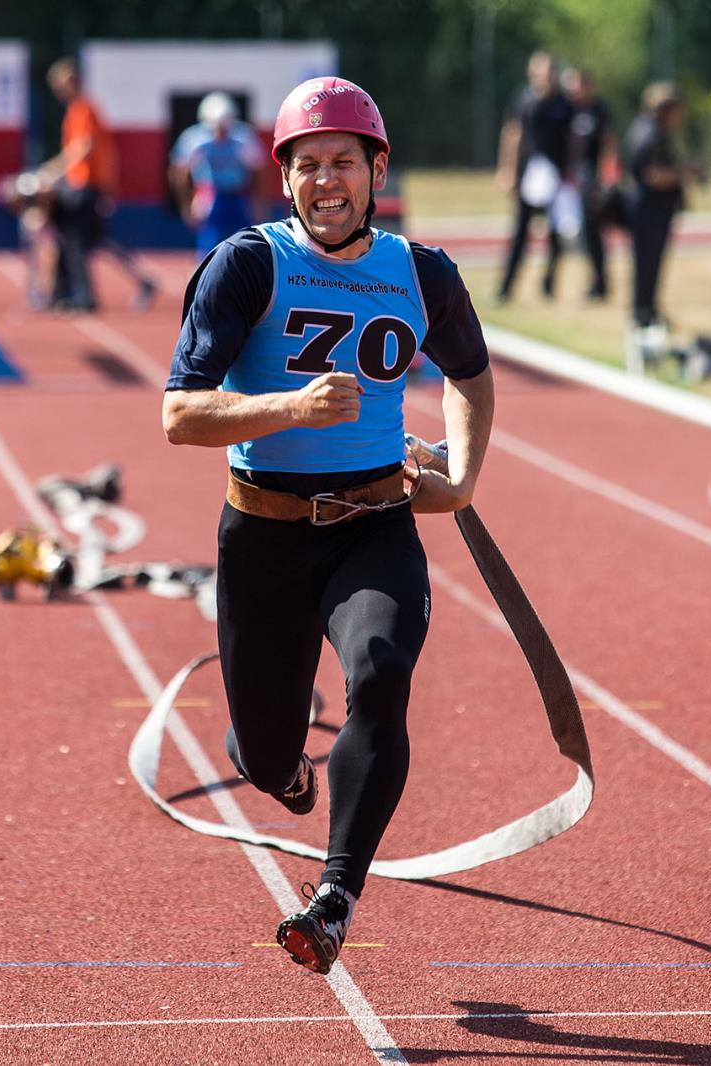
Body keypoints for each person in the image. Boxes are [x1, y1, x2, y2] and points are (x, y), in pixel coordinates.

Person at [161, 76, 493, 975]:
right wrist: (290, 411)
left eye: (343, 160)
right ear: (286, 177)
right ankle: (287, 772)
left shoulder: (423, 273)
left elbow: (469, 373)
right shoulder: (247, 263)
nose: (326, 179)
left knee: (381, 675)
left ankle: (336, 896)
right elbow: (180, 416)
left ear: (377, 168)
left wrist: (460, 478)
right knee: (265, 754)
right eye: (307, 164)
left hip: (373, 526)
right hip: (263, 535)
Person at [40, 58, 155, 313]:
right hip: (84, 184)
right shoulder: (79, 110)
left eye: (61, 85)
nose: (59, 92)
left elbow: (84, 148)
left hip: (84, 186)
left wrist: (52, 171)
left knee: (76, 241)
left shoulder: (84, 109)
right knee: (96, 240)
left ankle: (82, 296)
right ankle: (139, 281)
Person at [495, 51, 573, 303]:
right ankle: (506, 288)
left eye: (550, 71)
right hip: (529, 176)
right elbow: (512, 134)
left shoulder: (564, 103)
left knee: (557, 235)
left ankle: (549, 285)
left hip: (557, 178)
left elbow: (573, 140)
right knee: (520, 233)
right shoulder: (524, 99)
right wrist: (508, 169)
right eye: (541, 71)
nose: (546, 77)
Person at [624, 82, 699, 329]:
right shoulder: (650, 134)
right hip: (648, 208)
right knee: (646, 263)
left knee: (652, 264)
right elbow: (651, 174)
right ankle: (642, 313)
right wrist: (683, 172)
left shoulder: (653, 131)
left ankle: (648, 310)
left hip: (653, 208)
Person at [169, 92, 264, 260]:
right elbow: (179, 170)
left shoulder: (243, 137)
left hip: (238, 196)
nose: (221, 131)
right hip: (210, 196)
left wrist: (259, 203)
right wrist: (185, 203)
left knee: (244, 241)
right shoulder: (195, 139)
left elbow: (259, 169)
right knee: (210, 243)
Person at [563, 67, 616, 301]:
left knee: (592, 231)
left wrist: (607, 177)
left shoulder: (599, 110)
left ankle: (600, 282)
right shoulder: (566, 110)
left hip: (590, 179)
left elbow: (609, 145)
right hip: (568, 179)